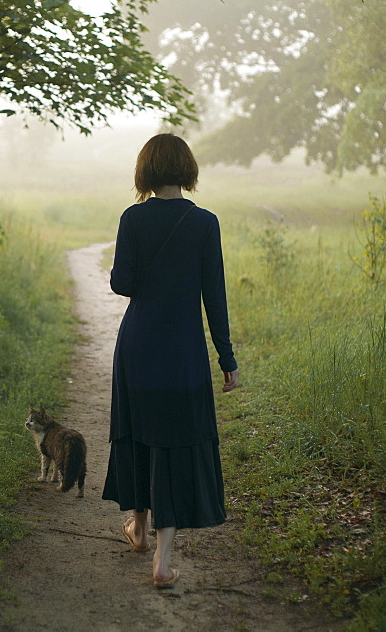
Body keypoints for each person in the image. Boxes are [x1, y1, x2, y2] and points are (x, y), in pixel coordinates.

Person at [102, 133, 240, 589]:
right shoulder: (204, 223)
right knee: (174, 442)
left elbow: (122, 284)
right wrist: (227, 358)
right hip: (183, 354)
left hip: (138, 348)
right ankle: (162, 560)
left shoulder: (132, 218)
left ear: (146, 171)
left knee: (140, 434)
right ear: (186, 169)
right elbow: (213, 296)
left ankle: (137, 528)